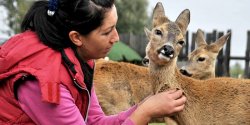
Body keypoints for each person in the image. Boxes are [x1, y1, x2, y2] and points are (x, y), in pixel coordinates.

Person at [0, 0, 187, 124]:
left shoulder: (80, 62)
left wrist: (144, 106)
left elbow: (96, 121)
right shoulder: (45, 83)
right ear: (76, 37)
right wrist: (144, 113)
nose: (116, 38)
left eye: (116, 27)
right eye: (107, 32)